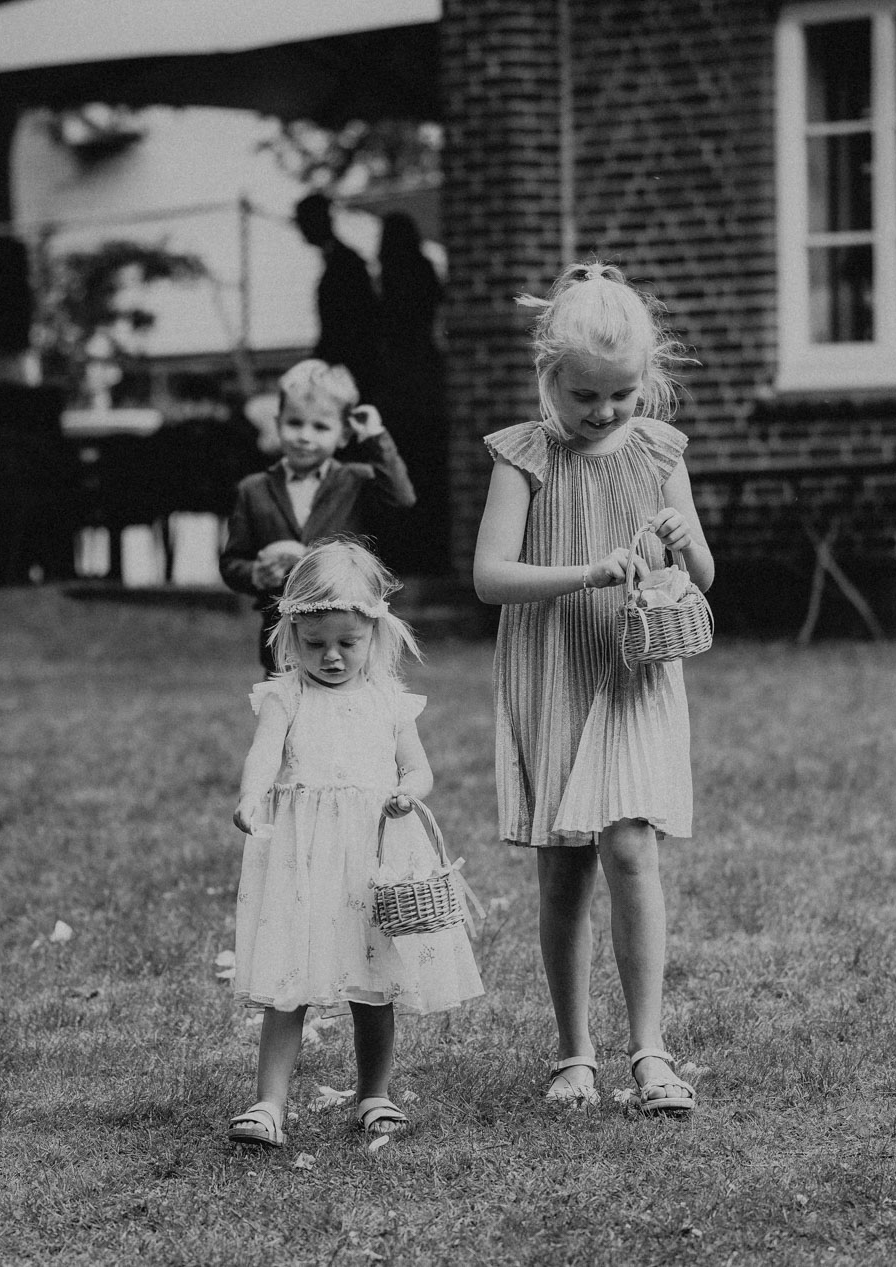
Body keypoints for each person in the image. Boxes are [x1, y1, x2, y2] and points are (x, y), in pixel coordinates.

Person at [471, 261, 714, 1115]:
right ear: (549, 378)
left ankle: (649, 1047)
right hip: (553, 670)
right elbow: (490, 577)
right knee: (563, 867)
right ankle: (575, 1050)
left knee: (631, 847)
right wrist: (583, 572)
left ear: (644, 383)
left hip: (634, 672)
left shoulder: (658, 452)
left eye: (619, 395)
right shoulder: (523, 456)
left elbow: (706, 576)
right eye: (584, 396)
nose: (603, 412)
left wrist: (686, 542)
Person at [226, 539, 484, 1150]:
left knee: (374, 979)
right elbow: (263, 756)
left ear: (377, 634)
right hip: (305, 852)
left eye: (348, 643)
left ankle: (375, 1092)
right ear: (290, 635)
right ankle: (268, 1102)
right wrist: (249, 796)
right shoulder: (286, 695)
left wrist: (404, 792)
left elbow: (419, 771)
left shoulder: (389, 701)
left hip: (370, 854)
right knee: (289, 978)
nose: (332, 658)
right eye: (315, 645)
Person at [219, 360, 415, 676]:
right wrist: (255, 573)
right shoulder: (254, 490)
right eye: (294, 423)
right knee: (287, 712)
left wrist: (375, 436)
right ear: (277, 422)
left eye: (321, 427)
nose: (305, 436)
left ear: (343, 435)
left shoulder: (355, 480)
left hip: (346, 627)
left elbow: (401, 497)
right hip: (281, 633)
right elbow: (231, 562)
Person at [373, 212, 450, 573]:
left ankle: (403, 553)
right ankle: (430, 552)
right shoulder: (425, 270)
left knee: (401, 468)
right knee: (428, 470)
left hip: (398, 382)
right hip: (428, 378)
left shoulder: (389, 277)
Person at [294, 193, 382, 402]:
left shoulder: (344, 264)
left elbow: (347, 326)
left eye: (303, 221)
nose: (300, 229)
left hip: (354, 369)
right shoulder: (341, 261)